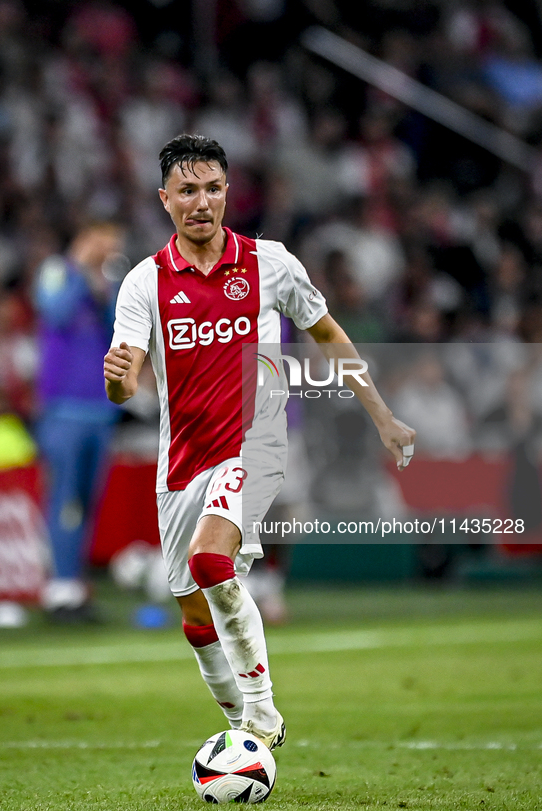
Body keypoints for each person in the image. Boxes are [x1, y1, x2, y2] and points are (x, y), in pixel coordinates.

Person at [103, 134, 415, 749]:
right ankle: (239, 732)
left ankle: (263, 715)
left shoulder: (271, 263)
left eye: (213, 188)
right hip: (182, 461)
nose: (202, 202)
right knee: (194, 611)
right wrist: (116, 384)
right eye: (188, 190)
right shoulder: (144, 283)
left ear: (228, 192)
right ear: (164, 199)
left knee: (212, 560)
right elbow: (125, 379)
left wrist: (381, 413)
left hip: (257, 445)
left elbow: (328, 334)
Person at [35, 220, 124, 622]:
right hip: (63, 410)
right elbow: (55, 313)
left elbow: (118, 329)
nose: (109, 251)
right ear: (86, 239)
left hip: (100, 411)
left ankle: (73, 584)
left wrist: (101, 286)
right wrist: (79, 267)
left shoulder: (105, 282)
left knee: (86, 502)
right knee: (65, 500)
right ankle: (59, 589)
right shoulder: (57, 272)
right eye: (104, 243)